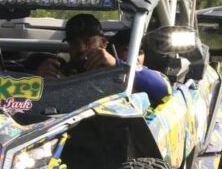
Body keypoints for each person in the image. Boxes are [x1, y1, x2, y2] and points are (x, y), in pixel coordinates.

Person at [36, 13, 170, 105]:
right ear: (69, 47)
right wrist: (38, 82)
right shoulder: (60, 72)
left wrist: (116, 65)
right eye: (75, 43)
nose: (82, 48)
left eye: (88, 41)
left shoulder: (123, 69)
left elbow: (162, 90)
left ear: (104, 43)